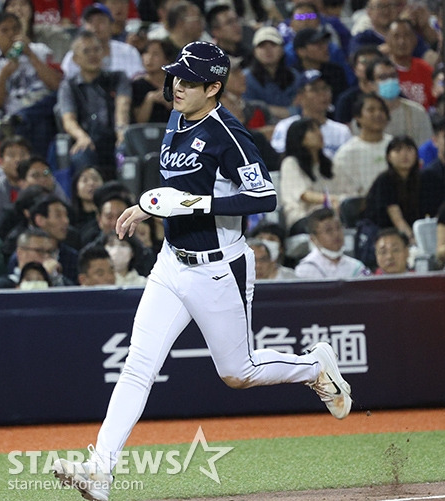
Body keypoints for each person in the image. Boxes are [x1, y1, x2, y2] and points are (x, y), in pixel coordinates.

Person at [53, 41, 353, 501]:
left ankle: (314, 365)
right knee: (137, 366)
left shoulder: (228, 133)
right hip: (172, 263)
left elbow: (263, 197)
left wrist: (199, 204)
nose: (178, 86)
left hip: (219, 268)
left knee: (238, 372)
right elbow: (179, 187)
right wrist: (145, 205)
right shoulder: (176, 116)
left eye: (191, 81)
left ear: (214, 88)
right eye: (177, 76)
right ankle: (100, 470)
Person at [0, 11, 61, 156]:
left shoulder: (40, 50)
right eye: (4, 31)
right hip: (15, 116)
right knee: (33, 126)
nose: (12, 35)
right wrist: (3, 76)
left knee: (53, 100)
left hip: (46, 109)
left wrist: (32, 56)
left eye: (16, 29)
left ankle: (24, 116)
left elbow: (57, 85)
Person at [57, 30, 132, 180]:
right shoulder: (69, 86)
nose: (93, 55)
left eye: (97, 50)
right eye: (86, 51)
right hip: (87, 138)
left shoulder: (118, 78)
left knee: (126, 152)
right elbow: (68, 120)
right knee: (82, 154)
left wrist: (121, 131)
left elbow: (122, 107)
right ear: (76, 59)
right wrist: (81, 137)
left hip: (113, 137)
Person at [363, 135, 443, 246]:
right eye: (398, 150)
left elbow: (435, 212)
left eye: (409, 150)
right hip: (386, 233)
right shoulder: (385, 180)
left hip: (418, 232)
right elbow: (397, 219)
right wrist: (412, 240)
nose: (404, 155)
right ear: (388, 157)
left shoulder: (426, 178)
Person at [270, 69, 352, 159]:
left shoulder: (342, 131)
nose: (322, 94)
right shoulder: (286, 126)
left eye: (325, 88)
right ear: (300, 96)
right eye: (315, 89)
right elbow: (280, 159)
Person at [279, 117, 340, 234]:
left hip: (330, 215)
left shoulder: (328, 164)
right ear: (299, 137)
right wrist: (331, 199)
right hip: (302, 218)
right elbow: (304, 195)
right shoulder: (290, 163)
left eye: (319, 129)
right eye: (312, 130)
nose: (319, 133)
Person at [61, 3, 144, 81]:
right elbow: (66, 86)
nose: (95, 26)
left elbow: (138, 81)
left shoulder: (129, 51)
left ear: (111, 25)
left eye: (100, 21)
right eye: (90, 22)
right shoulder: (73, 56)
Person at [331, 93, 392, 197]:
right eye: (371, 110)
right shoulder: (346, 154)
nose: (378, 114)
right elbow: (341, 192)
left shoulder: (394, 145)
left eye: (382, 110)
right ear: (358, 117)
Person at [367, 57, 433, 146]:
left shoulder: (417, 112)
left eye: (393, 76)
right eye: (383, 77)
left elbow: (426, 147)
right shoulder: (364, 116)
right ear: (371, 85)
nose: (390, 81)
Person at [243, 26, 301, 121]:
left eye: (273, 45)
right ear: (254, 51)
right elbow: (251, 110)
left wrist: (267, 109)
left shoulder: (294, 76)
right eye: (262, 46)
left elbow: (300, 109)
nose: (267, 50)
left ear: (282, 49)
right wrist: (287, 111)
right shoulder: (245, 78)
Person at [295, 207, 369, 279]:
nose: (336, 234)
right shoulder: (305, 269)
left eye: (338, 227)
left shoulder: (356, 267)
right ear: (313, 239)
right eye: (328, 230)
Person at [386, 19, 435, 111]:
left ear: (415, 40)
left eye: (407, 35)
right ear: (387, 40)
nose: (402, 41)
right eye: (396, 36)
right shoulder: (382, 71)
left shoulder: (425, 68)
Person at [333, 45, 382, 125]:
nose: (370, 66)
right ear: (355, 69)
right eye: (364, 63)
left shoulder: (391, 94)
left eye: (374, 62)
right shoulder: (346, 100)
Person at [131, 39, 176, 124]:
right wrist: (149, 99)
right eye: (146, 53)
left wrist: (173, 104)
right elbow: (138, 123)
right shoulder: (137, 85)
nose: (149, 58)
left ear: (167, 59)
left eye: (155, 54)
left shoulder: (177, 84)